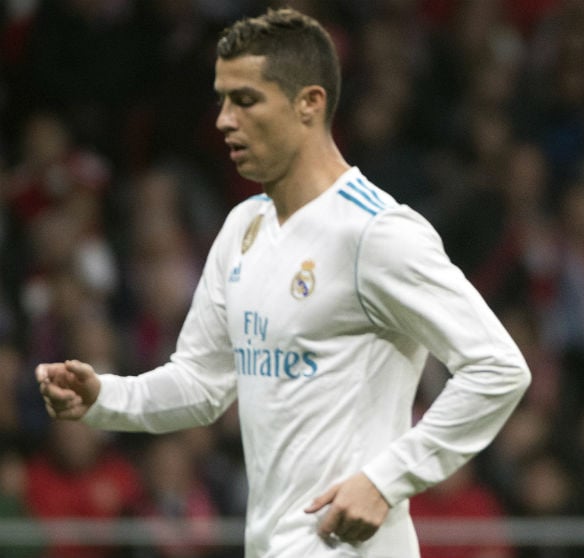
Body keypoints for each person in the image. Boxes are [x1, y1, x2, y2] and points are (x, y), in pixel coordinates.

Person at [35, 7, 530, 558]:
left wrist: (389, 478)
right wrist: (105, 397)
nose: (223, 119)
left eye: (245, 100)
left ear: (309, 104)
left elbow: (498, 368)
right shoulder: (243, 226)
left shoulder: (375, 233)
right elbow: (202, 382)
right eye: (221, 99)